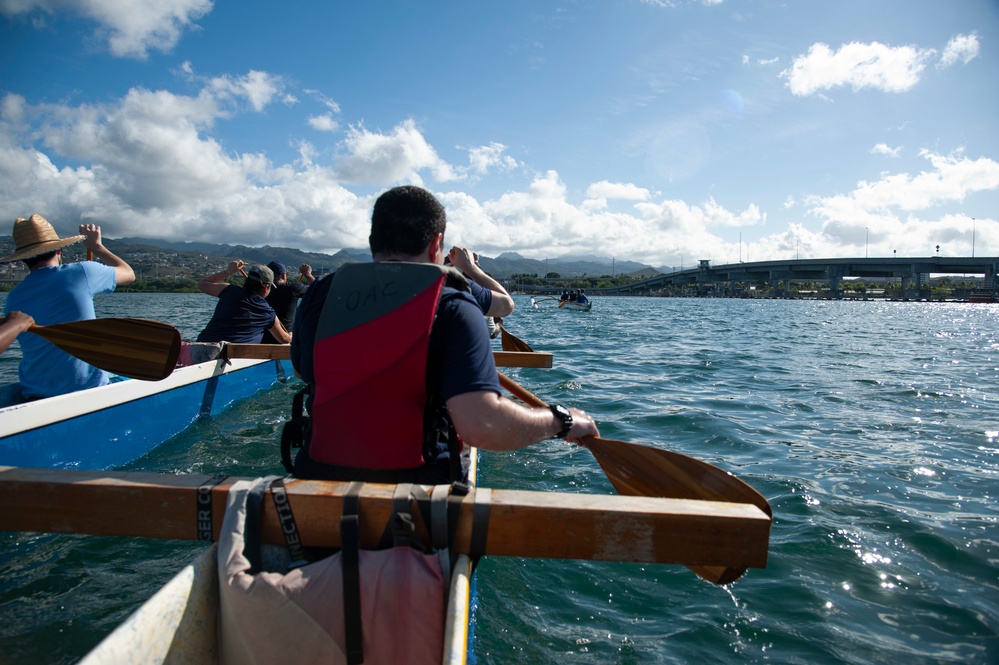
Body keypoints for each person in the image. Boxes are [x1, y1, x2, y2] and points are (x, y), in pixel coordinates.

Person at [291, 185, 599, 484]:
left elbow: (300, 368)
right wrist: (563, 420)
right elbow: (483, 425)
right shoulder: (454, 303)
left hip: (315, 477)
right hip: (418, 495)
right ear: (436, 244)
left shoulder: (320, 293)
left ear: (374, 241)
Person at [1, 215, 135, 399]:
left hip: (34, 392)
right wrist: (96, 247)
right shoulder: (82, 272)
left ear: (24, 259)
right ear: (59, 250)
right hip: (86, 389)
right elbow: (128, 274)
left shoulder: (14, 296)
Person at [196, 261, 291, 345]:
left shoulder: (228, 290)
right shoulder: (267, 312)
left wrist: (228, 271)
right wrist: (291, 335)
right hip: (237, 359)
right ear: (266, 288)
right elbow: (283, 339)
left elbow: (202, 284)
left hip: (201, 349)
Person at [260, 261, 313, 344]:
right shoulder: (293, 288)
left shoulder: (260, 290)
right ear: (284, 275)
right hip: (285, 340)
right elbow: (317, 290)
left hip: (261, 340)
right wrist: (307, 274)